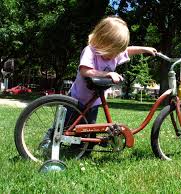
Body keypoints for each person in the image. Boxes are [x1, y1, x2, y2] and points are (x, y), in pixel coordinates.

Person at [40, 16, 157, 149]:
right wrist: (107, 74)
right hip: (76, 98)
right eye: (113, 51)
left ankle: (79, 150)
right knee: (62, 125)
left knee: (88, 133)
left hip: (93, 103)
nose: (115, 55)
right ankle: (48, 142)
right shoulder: (90, 51)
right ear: (103, 42)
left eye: (117, 52)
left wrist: (144, 49)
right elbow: (85, 70)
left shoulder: (114, 55)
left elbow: (128, 51)